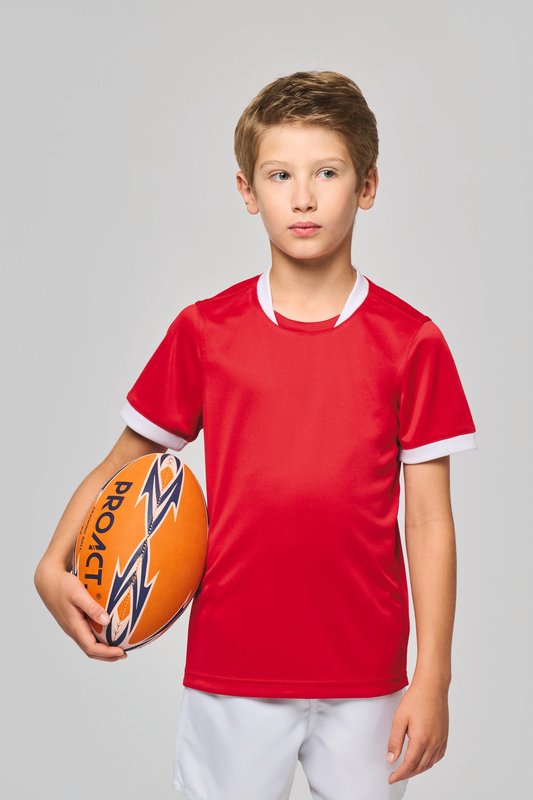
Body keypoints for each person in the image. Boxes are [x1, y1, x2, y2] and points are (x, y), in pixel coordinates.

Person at [34, 70, 477, 800]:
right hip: (232, 669)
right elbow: (126, 462)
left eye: (326, 172)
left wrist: (433, 676)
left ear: (367, 185)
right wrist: (53, 563)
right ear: (247, 190)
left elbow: (429, 520)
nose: (302, 198)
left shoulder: (411, 342)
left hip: (367, 675)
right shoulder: (206, 332)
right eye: (279, 175)